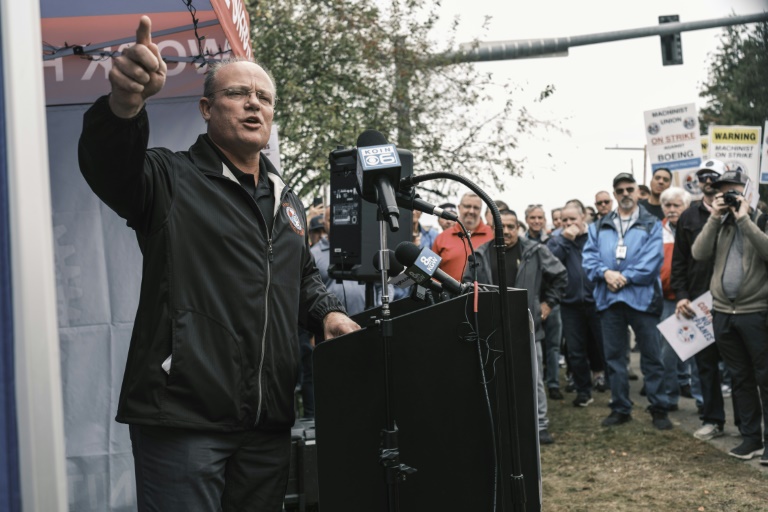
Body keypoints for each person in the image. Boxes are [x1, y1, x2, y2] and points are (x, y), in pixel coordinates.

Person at [78, 17, 360, 510]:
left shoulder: (286, 202)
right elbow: (109, 165)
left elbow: (301, 278)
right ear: (206, 108)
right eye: (238, 94)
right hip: (185, 421)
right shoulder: (170, 178)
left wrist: (326, 313)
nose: (254, 103)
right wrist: (123, 107)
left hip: (266, 427)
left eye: (264, 98)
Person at [464, 209, 567, 445]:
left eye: (511, 226)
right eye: (502, 227)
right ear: (492, 227)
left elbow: (560, 275)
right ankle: (498, 424)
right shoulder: (479, 254)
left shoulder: (534, 251)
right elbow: (467, 284)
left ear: (518, 227)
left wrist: (548, 303)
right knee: (494, 377)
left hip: (528, 326)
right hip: (492, 328)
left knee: (534, 379)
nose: (507, 231)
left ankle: (540, 425)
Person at [582, 172, 671, 430]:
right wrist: (605, 273)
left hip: (642, 300)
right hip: (609, 300)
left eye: (629, 189)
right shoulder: (598, 226)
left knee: (652, 357)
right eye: (619, 190)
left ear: (636, 191)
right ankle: (620, 407)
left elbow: (653, 260)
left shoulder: (652, 223)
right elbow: (589, 259)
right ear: (614, 193)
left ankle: (659, 408)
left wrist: (624, 277)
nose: (624, 194)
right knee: (614, 358)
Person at [691, 169, 768, 463]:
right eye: (723, 192)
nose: (728, 196)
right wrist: (715, 216)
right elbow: (698, 253)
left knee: (766, 377)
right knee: (740, 378)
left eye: (734, 190)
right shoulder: (720, 222)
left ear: (749, 190)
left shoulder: (761, 219)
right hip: (723, 312)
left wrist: (745, 218)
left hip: (755, 311)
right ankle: (751, 439)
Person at [671, 160, 731, 442]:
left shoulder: (736, 211)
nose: (708, 181)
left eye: (714, 176)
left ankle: (748, 426)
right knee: (705, 367)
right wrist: (681, 295)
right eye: (703, 176)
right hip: (699, 303)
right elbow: (679, 261)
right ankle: (713, 420)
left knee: (737, 366)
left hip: (733, 301)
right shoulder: (687, 217)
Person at [548, 203, 605, 407]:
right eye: (565, 220)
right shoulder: (558, 240)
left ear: (583, 218)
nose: (569, 223)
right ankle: (583, 391)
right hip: (570, 304)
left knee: (604, 347)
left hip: (596, 302)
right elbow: (550, 262)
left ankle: (615, 390)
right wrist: (565, 239)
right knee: (575, 350)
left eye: (573, 219)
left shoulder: (595, 237)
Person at [657, 187, 694, 413]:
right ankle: (670, 397)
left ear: (686, 207)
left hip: (691, 298)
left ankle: (695, 393)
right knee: (667, 352)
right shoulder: (656, 231)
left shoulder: (693, 228)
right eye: (667, 205)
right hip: (665, 300)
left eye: (676, 205)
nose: (671, 210)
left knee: (694, 349)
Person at [525, 204, 561, 399]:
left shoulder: (553, 241)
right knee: (533, 345)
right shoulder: (521, 243)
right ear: (527, 219)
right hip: (530, 302)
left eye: (540, 217)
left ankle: (554, 383)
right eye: (533, 218)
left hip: (551, 301)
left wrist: (550, 302)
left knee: (553, 346)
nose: (537, 221)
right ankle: (534, 385)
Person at [432, 192, 493, 281]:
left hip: (485, 293)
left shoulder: (492, 235)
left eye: (476, 208)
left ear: (481, 210)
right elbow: (431, 273)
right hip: (449, 294)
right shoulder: (442, 238)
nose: (471, 211)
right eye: (467, 206)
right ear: (459, 208)